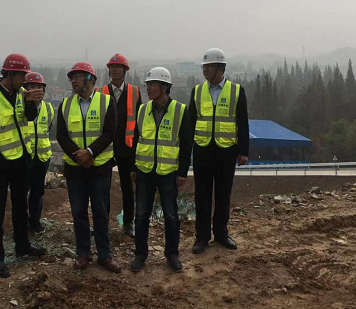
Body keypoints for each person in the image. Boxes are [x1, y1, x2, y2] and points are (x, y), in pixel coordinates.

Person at [0, 54, 47, 278]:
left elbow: (30, 118)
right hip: (0, 163)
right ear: (10, 74)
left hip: (22, 160)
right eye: (22, 76)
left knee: (20, 206)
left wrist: (31, 102)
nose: (25, 80)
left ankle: (22, 246)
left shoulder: (21, 95)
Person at [56, 62, 121, 273]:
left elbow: (110, 132)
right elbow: (61, 136)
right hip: (75, 169)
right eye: (71, 77)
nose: (73, 81)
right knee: (79, 213)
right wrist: (80, 156)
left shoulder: (106, 102)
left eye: (77, 77)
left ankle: (104, 255)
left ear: (90, 79)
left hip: (99, 168)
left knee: (101, 212)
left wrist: (90, 152)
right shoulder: (66, 105)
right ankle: (83, 253)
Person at [129, 67, 192, 273]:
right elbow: (137, 140)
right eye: (147, 85)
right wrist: (133, 168)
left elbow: (186, 144)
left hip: (168, 172)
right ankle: (140, 254)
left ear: (164, 87)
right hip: (145, 171)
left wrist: (182, 172)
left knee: (171, 215)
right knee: (141, 215)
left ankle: (172, 254)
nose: (148, 88)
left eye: (152, 85)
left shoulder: (180, 111)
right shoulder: (142, 110)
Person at [188, 48, 249, 254]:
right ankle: (202, 237)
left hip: (226, 151)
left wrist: (243, 151)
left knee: (223, 194)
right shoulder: (197, 91)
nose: (205, 70)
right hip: (203, 150)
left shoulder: (236, 91)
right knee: (202, 195)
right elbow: (190, 123)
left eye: (209, 66)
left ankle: (221, 233)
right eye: (204, 66)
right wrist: (186, 151)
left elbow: (242, 122)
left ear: (221, 68)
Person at [100, 54, 141, 238]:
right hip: (106, 147)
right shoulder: (101, 92)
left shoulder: (134, 92)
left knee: (127, 187)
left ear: (125, 71)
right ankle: (102, 224)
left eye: (118, 67)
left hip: (127, 147)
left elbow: (138, 122)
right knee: (102, 188)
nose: (114, 70)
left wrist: (136, 151)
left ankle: (128, 223)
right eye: (111, 67)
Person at [23, 72, 55, 234]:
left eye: (39, 87)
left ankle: (35, 220)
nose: (36, 90)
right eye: (32, 87)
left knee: (37, 191)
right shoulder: (20, 107)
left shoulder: (49, 109)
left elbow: (47, 129)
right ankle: (21, 222)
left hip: (42, 157)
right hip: (24, 157)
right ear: (25, 89)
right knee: (21, 191)